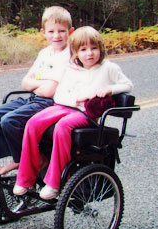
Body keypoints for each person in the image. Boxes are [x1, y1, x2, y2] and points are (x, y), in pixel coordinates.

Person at [13, 26, 133, 199]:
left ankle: (54, 183)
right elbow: (60, 94)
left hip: (86, 114)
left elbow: (127, 85)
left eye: (94, 48)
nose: (89, 54)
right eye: (83, 50)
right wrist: (77, 98)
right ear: (76, 53)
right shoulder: (72, 69)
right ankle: (25, 178)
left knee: (62, 126)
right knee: (33, 123)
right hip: (65, 105)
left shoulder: (108, 67)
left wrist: (109, 89)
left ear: (101, 49)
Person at [0, 6, 74, 175]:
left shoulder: (69, 55)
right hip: (34, 98)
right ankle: (16, 156)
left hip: (52, 103)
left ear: (70, 32)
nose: (56, 36)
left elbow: (49, 91)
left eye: (61, 31)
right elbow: (25, 82)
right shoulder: (45, 53)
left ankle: (34, 159)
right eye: (51, 31)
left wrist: (37, 84)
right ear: (43, 32)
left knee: (9, 121)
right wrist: (39, 84)